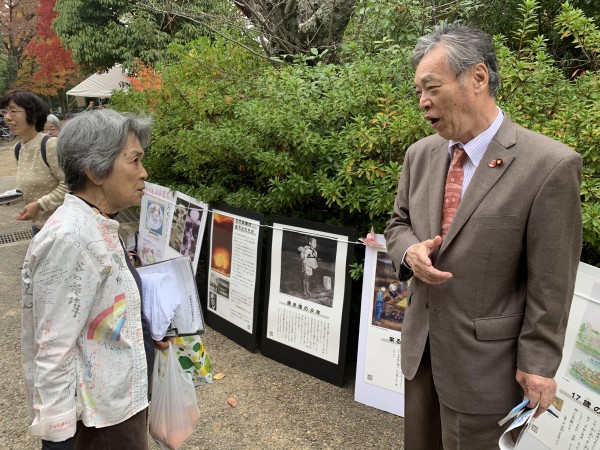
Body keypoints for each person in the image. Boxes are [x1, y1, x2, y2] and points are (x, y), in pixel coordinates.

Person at [383, 23, 582, 449]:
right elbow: (397, 224)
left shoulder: (548, 165)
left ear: (477, 78)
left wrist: (539, 363)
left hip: (488, 369)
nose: (422, 102)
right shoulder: (420, 155)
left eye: (431, 87)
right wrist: (410, 253)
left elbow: (552, 279)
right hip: (421, 354)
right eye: (418, 91)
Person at [21, 109, 166, 450]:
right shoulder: (71, 238)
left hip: (117, 403)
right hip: (98, 420)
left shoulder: (98, 222)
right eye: (135, 160)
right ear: (95, 170)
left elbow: (98, 312)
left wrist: (141, 333)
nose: (144, 173)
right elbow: (52, 349)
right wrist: (58, 439)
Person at [0, 90, 67, 235]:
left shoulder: (51, 145)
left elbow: (70, 185)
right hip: (39, 228)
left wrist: (40, 205)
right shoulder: (18, 148)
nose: (7, 118)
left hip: (63, 228)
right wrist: (5, 198)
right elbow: (25, 189)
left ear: (33, 115)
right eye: (4, 112)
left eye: (13, 111)